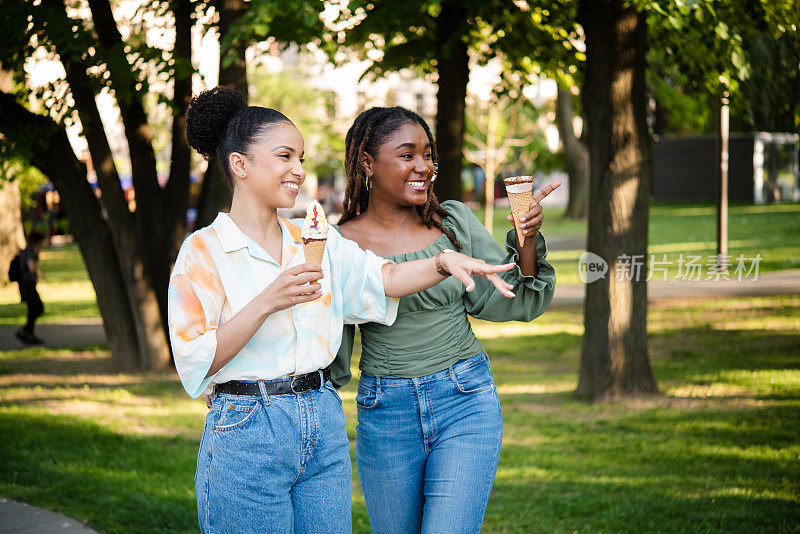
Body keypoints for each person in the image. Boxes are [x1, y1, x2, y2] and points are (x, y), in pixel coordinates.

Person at [170, 87, 516, 534]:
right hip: (247, 427)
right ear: (241, 164)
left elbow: (384, 280)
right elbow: (194, 360)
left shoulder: (315, 239)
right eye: (284, 157)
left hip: (321, 420)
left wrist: (441, 262)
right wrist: (268, 302)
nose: (298, 170)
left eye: (301, 158)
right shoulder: (203, 252)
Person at [335, 106, 560, 533]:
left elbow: (518, 297)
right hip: (386, 413)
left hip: (464, 398)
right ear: (367, 162)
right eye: (407, 154)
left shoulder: (452, 221)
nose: (423, 166)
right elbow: (325, 341)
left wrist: (526, 240)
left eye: (427, 154)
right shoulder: (340, 244)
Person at [14, 231, 47, 345]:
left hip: (28, 284)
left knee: (33, 308)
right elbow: (31, 268)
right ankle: (25, 331)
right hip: (26, 284)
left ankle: (29, 334)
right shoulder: (29, 252)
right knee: (37, 307)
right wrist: (36, 256)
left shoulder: (28, 251)